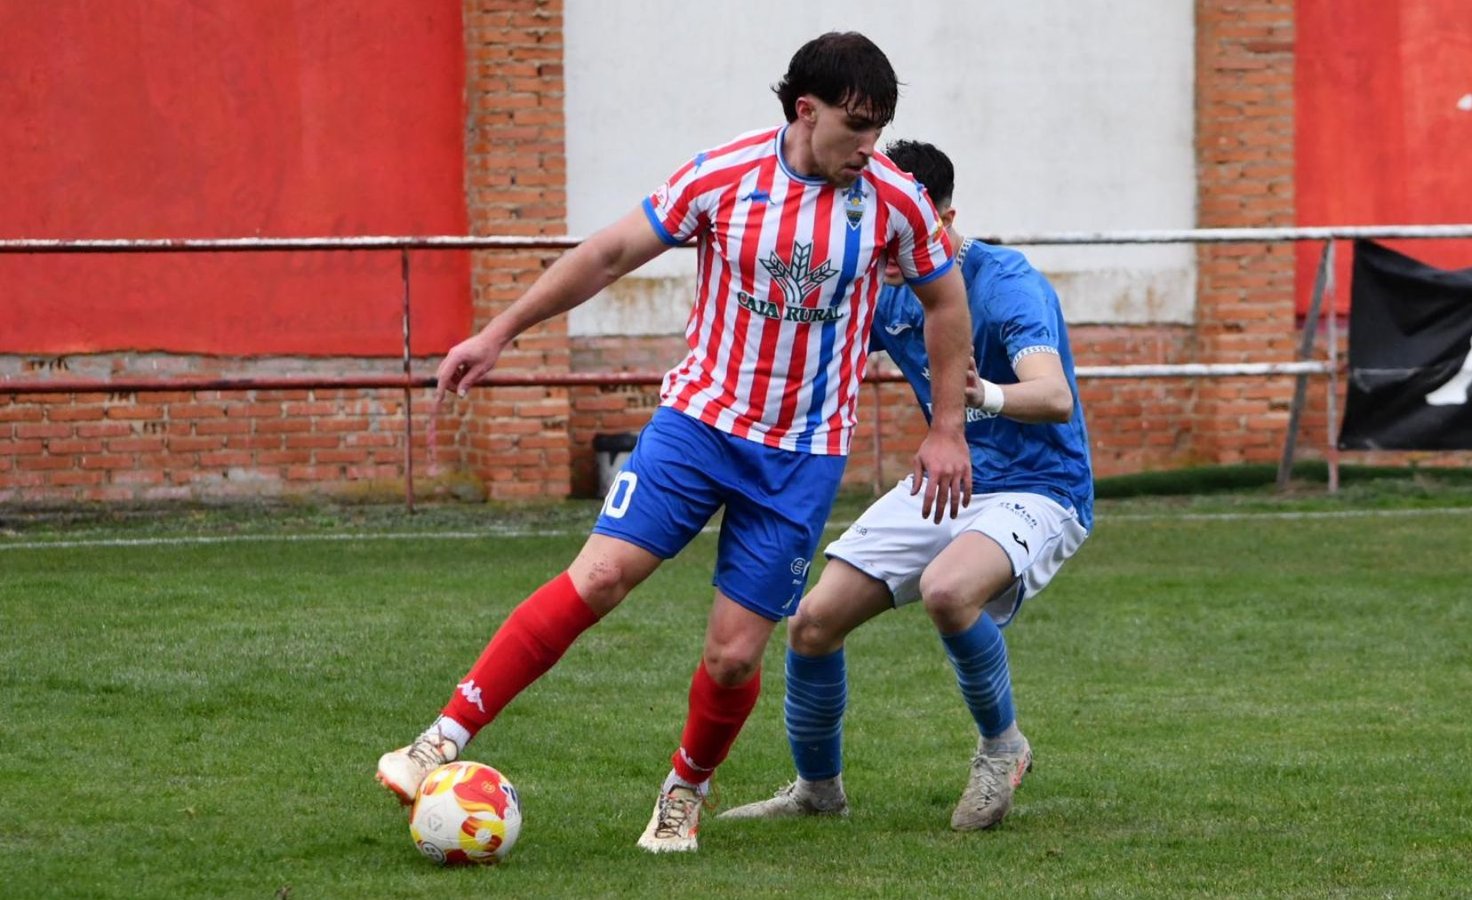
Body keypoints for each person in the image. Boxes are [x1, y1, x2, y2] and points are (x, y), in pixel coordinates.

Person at [375, 34, 975, 854]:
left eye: (880, 128)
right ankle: (439, 739)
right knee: (600, 578)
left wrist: (945, 429)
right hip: (696, 427)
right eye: (855, 125)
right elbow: (611, 253)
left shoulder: (895, 202)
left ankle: (683, 793)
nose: (869, 146)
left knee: (732, 658)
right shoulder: (723, 174)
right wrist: (500, 332)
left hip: (800, 459)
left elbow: (946, 303)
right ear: (806, 110)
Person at [719, 140, 1094, 831]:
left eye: (911, 224)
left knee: (947, 592)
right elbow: (814, 349)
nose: (894, 243)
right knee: (811, 624)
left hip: (1041, 487)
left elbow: (1055, 397)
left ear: (946, 216)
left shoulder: (1004, 283)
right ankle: (817, 793)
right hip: (949, 478)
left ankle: (1002, 748)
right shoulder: (889, 286)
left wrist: (979, 395)